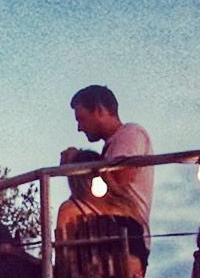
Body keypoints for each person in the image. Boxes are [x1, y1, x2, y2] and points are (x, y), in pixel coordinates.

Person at [59, 85, 153, 266]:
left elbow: (119, 179)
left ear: (100, 111)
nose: (79, 128)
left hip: (124, 235)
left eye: (82, 119)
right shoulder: (112, 147)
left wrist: (77, 161)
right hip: (112, 233)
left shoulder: (130, 134)